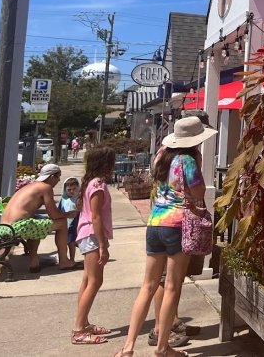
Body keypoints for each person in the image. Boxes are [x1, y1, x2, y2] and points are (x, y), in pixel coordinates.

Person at [114, 116, 213, 357]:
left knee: (147, 286)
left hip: (155, 222)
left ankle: (128, 347)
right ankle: (162, 348)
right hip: (178, 224)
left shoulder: (161, 155)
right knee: (172, 286)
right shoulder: (188, 160)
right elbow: (198, 191)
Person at [72, 146, 116, 345]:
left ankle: (83, 323)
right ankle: (79, 330)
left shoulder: (91, 182)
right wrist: (102, 245)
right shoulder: (97, 184)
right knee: (95, 281)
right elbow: (96, 216)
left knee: (87, 280)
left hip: (87, 234)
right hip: (92, 235)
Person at [0, 163, 80, 273]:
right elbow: (54, 215)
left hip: (4, 227)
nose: (59, 180)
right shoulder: (46, 187)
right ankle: (64, 261)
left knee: (36, 223)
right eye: (58, 177)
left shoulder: (30, 186)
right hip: (18, 227)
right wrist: (69, 214)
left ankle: (34, 262)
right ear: (52, 177)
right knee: (61, 223)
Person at [58, 176, 81, 263]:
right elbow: (59, 211)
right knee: (67, 243)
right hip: (65, 224)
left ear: (78, 188)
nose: (72, 191)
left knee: (71, 243)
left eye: (74, 189)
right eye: (69, 189)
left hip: (74, 224)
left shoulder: (79, 199)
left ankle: (72, 259)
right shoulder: (63, 200)